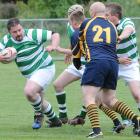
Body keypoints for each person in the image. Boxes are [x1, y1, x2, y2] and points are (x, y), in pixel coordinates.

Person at [72, 1, 140, 138]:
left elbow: (79, 43)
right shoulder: (113, 27)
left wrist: (76, 59)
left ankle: (97, 131)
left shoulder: (87, 23)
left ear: (92, 12)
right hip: (113, 64)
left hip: (96, 62)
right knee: (109, 100)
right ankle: (136, 119)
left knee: (89, 97)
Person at [54, 4, 125, 134]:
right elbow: (75, 45)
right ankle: (63, 116)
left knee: (97, 100)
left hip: (89, 64)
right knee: (58, 84)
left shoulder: (87, 24)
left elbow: (82, 47)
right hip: (80, 64)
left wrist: (59, 49)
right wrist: (68, 53)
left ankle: (115, 121)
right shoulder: (71, 26)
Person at [0, 18, 62, 129]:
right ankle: (55, 121)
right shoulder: (6, 41)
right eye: (15, 32)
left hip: (45, 67)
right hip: (31, 75)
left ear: (22, 28)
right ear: (9, 33)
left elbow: (55, 34)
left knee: (29, 91)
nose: (18, 33)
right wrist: (2, 58)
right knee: (37, 99)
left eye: (20, 30)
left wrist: (54, 46)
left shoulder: (32, 34)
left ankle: (38, 115)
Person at [105, 2, 140, 127]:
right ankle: (128, 118)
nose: (105, 16)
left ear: (115, 15)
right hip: (113, 64)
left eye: (107, 14)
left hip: (130, 64)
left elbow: (128, 30)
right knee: (105, 100)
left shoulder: (126, 22)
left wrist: (119, 38)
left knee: (137, 95)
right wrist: (117, 60)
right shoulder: (105, 27)